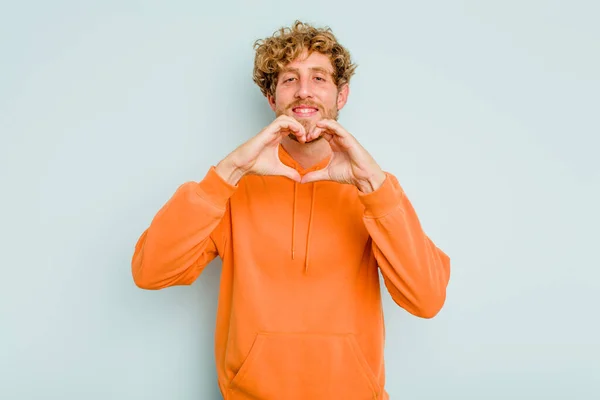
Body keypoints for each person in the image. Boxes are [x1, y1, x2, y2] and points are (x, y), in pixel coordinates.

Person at [131, 20, 451, 400]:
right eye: (289, 79)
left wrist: (374, 188)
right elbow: (150, 272)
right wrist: (228, 172)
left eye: (319, 78)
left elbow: (427, 299)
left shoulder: (377, 188)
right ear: (272, 98)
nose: (304, 91)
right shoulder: (232, 187)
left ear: (341, 94)